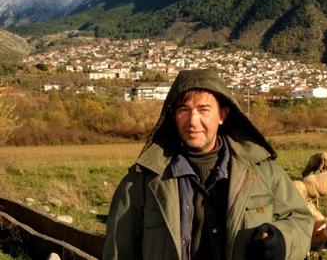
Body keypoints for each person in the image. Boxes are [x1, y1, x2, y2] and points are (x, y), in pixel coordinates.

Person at [103, 69, 312, 259]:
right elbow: (118, 251)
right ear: (173, 116)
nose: (193, 121)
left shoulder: (261, 171)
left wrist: (283, 240)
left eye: (204, 110)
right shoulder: (142, 181)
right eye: (183, 110)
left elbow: (300, 219)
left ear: (222, 115)